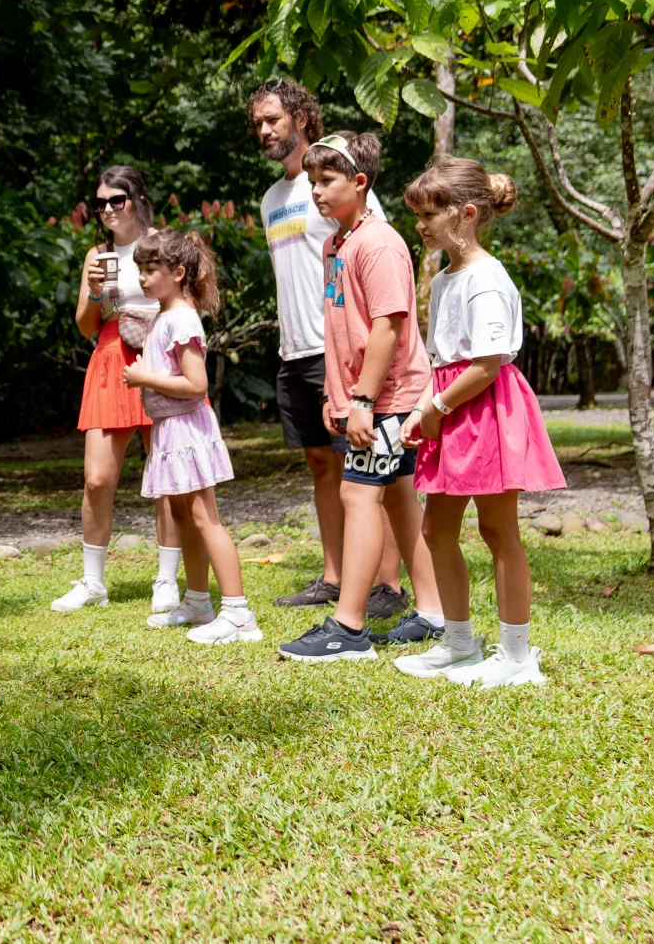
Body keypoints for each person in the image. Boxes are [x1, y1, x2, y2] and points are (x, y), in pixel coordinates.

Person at [397, 158, 567, 687]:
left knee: (498, 530)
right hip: (450, 405)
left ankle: (517, 655)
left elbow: (487, 365)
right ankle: (459, 642)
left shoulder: (486, 280)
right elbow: (441, 357)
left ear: (466, 213)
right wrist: (421, 409)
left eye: (430, 214)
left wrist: (435, 408)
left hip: (484, 408)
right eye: (417, 214)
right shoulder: (446, 276)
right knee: (436, 529)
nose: (420, 224)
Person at [276, 132, 444, 663]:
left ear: (360, 182)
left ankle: (348, 630)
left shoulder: (380, 243)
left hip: (391, 396)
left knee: (358, 495)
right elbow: (336, 327)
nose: (317, 193)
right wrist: (335, 395)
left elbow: (388, 327)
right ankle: (435, 612)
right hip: (360, 396)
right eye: (312, 182)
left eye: (327, 181)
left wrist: (364, 400)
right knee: (396, 497)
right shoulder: (335, 245)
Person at [248, 81, 412, 623]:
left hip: (338, 347)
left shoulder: (339, 180)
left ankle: (387, 584)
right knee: (321, 462)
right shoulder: (273, 198)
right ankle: (336, 574)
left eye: (272, 119)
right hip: (293, 347)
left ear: (300, 116)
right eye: (258, 124)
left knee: (365, 466)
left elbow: (376, 260)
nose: (265, 131)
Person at [54, 165, 198, 615]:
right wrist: (95, 293)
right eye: (101, 203)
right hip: (111, 357)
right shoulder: (97, 255)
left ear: (137, 198)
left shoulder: (165, 244)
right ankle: (92, 582)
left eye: (117, 199)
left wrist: (155, 326)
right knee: (97, 479)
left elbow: (188, 305)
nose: (109, 209)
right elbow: (85, 326)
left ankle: (166, 579)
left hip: (161, 354)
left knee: (167, 478)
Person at [122, 229, 260, 645]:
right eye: (140, 271)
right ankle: (198, 601)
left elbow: (197, 385)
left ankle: (238, 614)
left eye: (151, 270)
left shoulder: (181, 318)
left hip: (187, 428)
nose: (144, 279)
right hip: (170, 430)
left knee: (205, 518)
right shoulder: (164, 315)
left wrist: (145, 376)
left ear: (178, 272)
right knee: (182, 517)